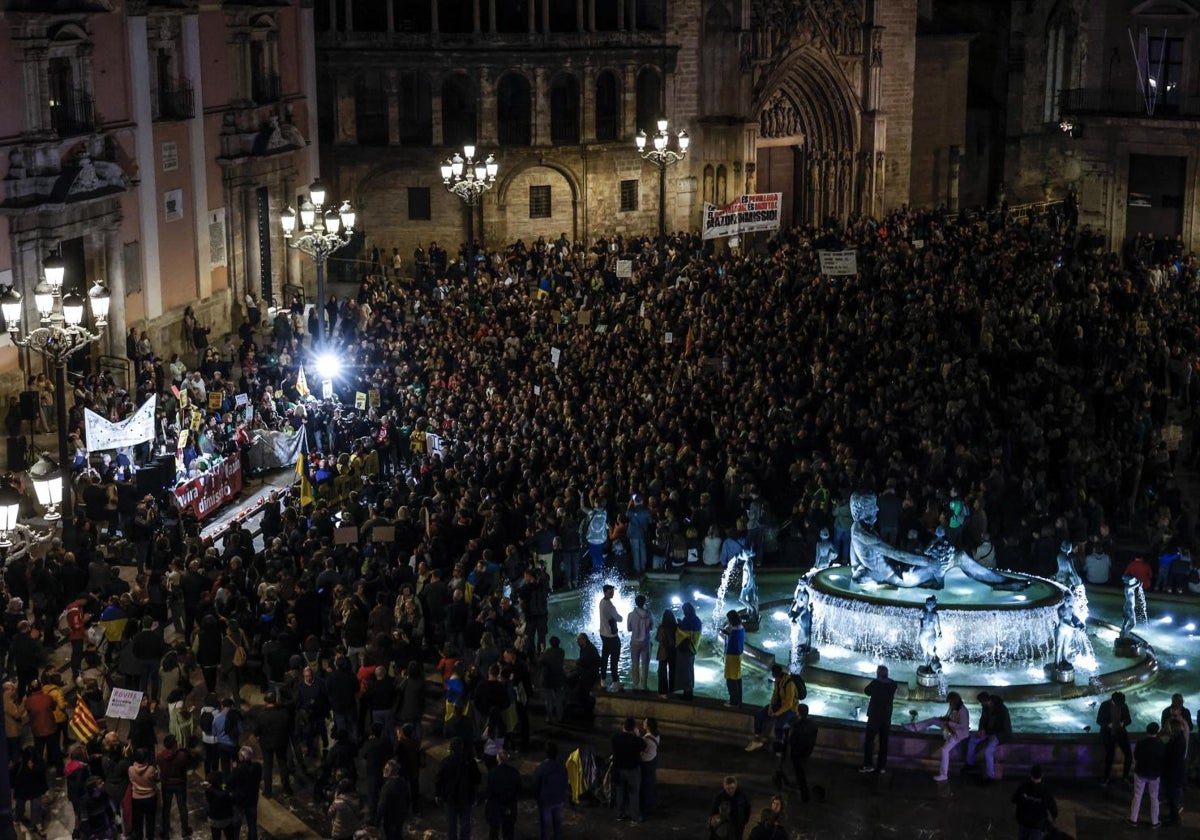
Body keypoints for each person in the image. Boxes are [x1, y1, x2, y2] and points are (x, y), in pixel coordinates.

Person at [908, 690, 970, 782]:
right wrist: (944, 719)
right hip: (949, 727)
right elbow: (948, 716)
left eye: (950, 701)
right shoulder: (953, 707)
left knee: (944, 750)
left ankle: (943, 774)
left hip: (958, 734)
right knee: (933, 719)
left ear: (954, 701)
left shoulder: (963, 711)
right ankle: (915, 728)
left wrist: (949, 723)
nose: (949, 703)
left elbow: (964, 726)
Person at [747, 664, 801, 751]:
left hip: (791, 709)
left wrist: (776, 714)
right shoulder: (778, 680)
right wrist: (770, 707)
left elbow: (789, 704)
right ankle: (757, 739)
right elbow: (775, 695)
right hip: (779, 706)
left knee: (779, 725)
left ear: (777, 673)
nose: (772, 674)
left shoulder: (789, 684)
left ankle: (779, 745)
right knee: (759, 715)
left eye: (773, 673)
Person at [435, 737, 480, 840]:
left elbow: (439, 780)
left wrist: (438, 794)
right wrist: (475, 794)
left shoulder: (446, 762)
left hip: (451, 799)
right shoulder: (470, 761)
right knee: (465, 824)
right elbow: (477, 779)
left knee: (451, 826)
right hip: (466, 798)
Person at [965, 691, 1012, 783]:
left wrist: (985, 731)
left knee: (988, 751)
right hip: (988, 732)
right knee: (972, 740)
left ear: (986, 700)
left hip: (1000, 734)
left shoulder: (1001, 709)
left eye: (982, 702)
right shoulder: (985, 707)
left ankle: (990, 776)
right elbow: (982, 720)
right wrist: (981, 730)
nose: (981, 704)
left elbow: (1002, 727)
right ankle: (970, 764)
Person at [861, 664, 897, 774]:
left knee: (869, 741)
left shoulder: (875, 683)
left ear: (878, 673)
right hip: (886, 717)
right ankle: (881, 767)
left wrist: (876, 680)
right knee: (884, 742)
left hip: (874, 716)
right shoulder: (893, 684)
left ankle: (868, 765)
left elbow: (866, 691)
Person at [1129, 722, 1165, 828]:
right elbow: (1162, 759)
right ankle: (1155, 821)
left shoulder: (1141, 743)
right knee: (1154, 797)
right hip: (1154, 774)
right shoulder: (1160, 744)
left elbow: (1136, 756)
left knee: (1137, 796)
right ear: (1157, 732)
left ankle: (1133, 819)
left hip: (1140, 772)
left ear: (1147, 731)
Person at [157, 733, 192, 839]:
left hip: (166, 784)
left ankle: (165, 831)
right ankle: (185, 829)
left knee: (166, 808)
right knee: (182, 807)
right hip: (180, 784)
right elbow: (187, 764)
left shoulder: (160, 755)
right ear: (174, 744)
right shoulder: (181, 755)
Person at [533, 741, 569, 840]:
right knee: (557, 826)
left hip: (546, 802)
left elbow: (536, 786)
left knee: (546, 829)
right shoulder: (562, 767)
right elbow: (565, 782)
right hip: (559, 800)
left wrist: (538, 798)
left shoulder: (541, 768)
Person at [1011, 764, 1058, 840]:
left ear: (1031, 774)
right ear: (1042, 775)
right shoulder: (1045, 791)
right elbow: (1052, 805)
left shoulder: (1023, 787)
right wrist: (1054, 816)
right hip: (1038, 825)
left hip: (1024, 822)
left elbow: (1014, 799)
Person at [611, 717, 644, 823]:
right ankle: (635, 816)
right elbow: (644, 745)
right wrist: (637, 734)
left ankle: (619, 814)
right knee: (634, 793)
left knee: (620, 792)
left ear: (623, 726)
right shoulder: (636, 740)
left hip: (619, 768)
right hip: (633, 770)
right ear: (634, 728)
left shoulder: (615, 738)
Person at [1098, 690, 1133, 785]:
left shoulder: (1123, 705)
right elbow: (1099, 720)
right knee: (1109, 756)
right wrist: (1107, 725)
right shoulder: (1104, 705)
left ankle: (1125, 776)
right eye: (1119, 704)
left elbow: (1129, 720)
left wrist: (1123, 723)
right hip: (1108, 734)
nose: (1121, 705)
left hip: (1121, 733)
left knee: (1129, 755)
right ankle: (1106, 777)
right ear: (1113, 701)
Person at [485, 750, 521, 840]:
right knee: (508, 831)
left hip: (496, 806)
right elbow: (518, 789)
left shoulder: (492, 773)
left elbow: (489, 792)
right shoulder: (514, 772)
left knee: (494, 830)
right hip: (510, 805)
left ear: (497, 759)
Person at [228, 746, 262, 840]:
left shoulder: (238, 770)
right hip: (252, 800)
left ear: (242, 757)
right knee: (252, 826)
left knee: (236, 826)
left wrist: (234, 769)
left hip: (239, 801)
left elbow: (230, 782)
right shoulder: (257, 767)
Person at [786, 703, 818, 802]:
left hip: (797, 753)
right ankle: (800, 788)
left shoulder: (797, 726)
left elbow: (792, 740)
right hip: (807, 752)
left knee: (800, 773)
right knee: (801, 770)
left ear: (799, 713)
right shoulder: (812, 725)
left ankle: (804, 795)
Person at [127, 748, 159, 840]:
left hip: (136, 798)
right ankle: (150, 837)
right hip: (150, 797)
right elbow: (156, 779)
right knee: (150, 819)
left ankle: (139, 837)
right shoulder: (151, 769)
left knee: (138, 821)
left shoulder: (131, 769)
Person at [1161, 718, 1188, 827]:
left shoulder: (1177, 741)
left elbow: (1173, 758)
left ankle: (1175, 818)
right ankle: (1173, 815)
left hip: (1174, 773)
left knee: (1173, 796)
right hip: (1176, 772)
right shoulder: (1179, 738)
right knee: (1172, 796)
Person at [708, 775, 752, 840]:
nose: (731, 790)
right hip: (723, 829)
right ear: (724, 786)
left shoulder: (742, 796)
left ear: (736, 786)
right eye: (728, 788)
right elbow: (713, 813)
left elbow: (747, 809)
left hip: (737, 828)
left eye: (732, 788)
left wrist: (743, 822)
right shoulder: (719, 798)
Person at [376, 760, 411, 840]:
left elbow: (382, 804)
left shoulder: (388, 786)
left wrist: (377, 820)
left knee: (390, 835)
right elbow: (408, 798)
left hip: (390, 816)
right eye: (385, 768)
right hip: (401, 814)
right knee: (398, 833)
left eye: (387, 770)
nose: (384, 771)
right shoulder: (403, 781)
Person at [597, 584, 623, 692]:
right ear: (605, 592)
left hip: (603, 634)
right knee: (614, 659)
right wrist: (619, 617)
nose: (612, 593)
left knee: (604, 657)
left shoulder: (602, 602)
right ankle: (615, 682)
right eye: (610, 592)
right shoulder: (608, 605)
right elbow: (619, 618)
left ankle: (602, 679)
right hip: (612, 636)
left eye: (613, 591)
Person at [675, 602, 702, 700]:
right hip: (692, 648)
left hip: (685, 648)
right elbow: (694, 633)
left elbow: (684, 633)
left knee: (685, 671)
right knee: (690, 670)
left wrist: (678, 625)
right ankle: (689, 691)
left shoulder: (687, 620)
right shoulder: (697, 620)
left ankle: (687, 693)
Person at [626, 594, 654, 692]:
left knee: (635, 663)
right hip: (645, 642)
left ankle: (635, 684)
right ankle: (644, 685)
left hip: (635, 642)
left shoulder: (631, 615)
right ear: (644, 603)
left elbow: (629, 629)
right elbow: (651, 627)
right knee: (645, 664)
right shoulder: (649, 614)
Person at [723, 610, 745, 708]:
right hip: (738, 655)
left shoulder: (735, 630)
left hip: (732, 656)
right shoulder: (741, 628)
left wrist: (727, 632)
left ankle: (733, 702)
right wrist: (728, 633)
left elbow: (732, 639)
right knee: (737, 678)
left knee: (730, 679)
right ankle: (738, 700)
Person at [639, 717, 660, 815]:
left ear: (648, 726)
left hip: (646, 763)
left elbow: (641, 750)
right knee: (651, 781)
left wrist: (637, 737)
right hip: (653, 760)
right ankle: (651, 802)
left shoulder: (646, 739)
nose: (643, 723)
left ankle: (645, 805)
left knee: (644, 783)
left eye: (645, 722)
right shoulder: (657, 735)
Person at [655, 609, 676, 698]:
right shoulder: (676, 626)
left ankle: (663, 692)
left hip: (663, 651)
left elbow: (658, 638)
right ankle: (672, 691)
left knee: (662, 672)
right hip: (673, 651)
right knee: (672, 672)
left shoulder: (662, 627)